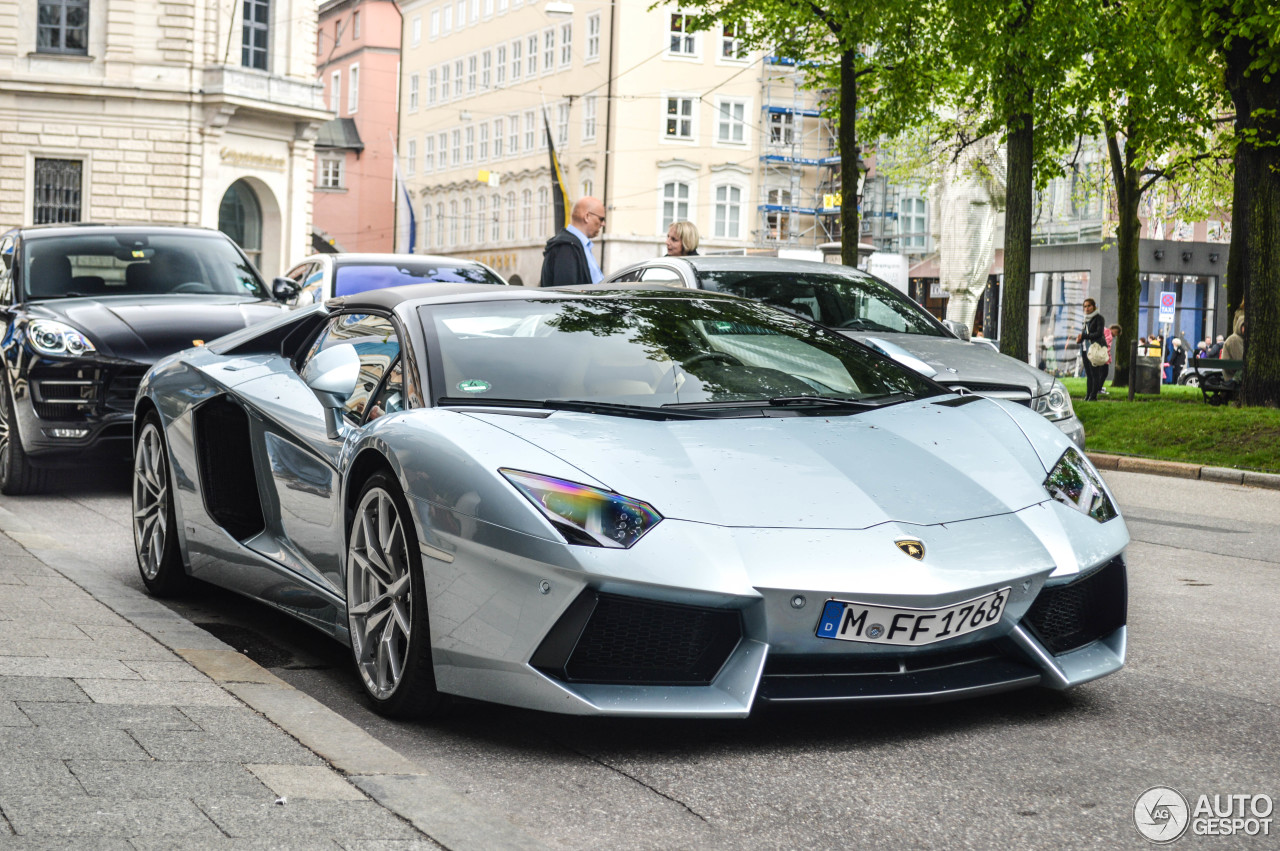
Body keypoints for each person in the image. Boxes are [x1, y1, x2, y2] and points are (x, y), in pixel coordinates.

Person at [539, 196, 606, 286]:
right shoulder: (566, 247)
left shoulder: (577, 245)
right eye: (601, 219)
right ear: (587, 216)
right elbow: (566, 293)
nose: (603, 224)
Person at [1076, 298, 1107, 401]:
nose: (1087, 308)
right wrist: (1080, 339)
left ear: (1094, 306)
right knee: (1088, 374)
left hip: (1094, 349)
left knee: (1095, 373)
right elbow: (1085, 335)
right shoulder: (1085, 319)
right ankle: (1088, 395)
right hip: (1085, 349)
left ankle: (1093, 396)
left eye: (1089, 306)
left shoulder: (1099, 318)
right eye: (1085, 306)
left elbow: (1098, 333)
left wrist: (1084, 336)